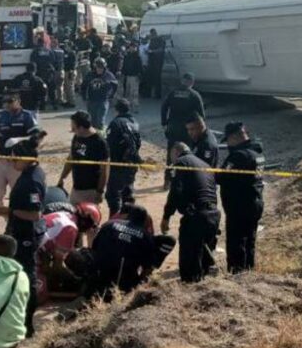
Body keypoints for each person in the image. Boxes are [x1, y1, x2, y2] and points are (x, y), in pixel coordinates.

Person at [0, 138, 44, 338]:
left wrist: (9, 211)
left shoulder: (31, 181)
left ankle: (27, 321)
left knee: (27, 277)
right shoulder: (29, 173)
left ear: (26, 159)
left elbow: (34, 214)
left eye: (15, 160)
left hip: (27, 234)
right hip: (19, 231)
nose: (12, 164)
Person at [161, 143, 220, 283]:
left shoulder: (181, 163)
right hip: (213, 214)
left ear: (175, 152)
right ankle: (203, 286)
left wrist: (166, 216)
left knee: (189, 261)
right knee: (202, 260)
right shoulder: (205, 164)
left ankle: (189, 290)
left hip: (196, 216)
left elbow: (175, 192)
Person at [215, 122, 265, 273]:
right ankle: (248, 272)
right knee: (250, 241)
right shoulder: (257, 153)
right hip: (255, 202)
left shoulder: (239, 156)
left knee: (236, 243)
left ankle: (237, 274)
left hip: (240, 206)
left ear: (235, 137)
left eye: (228, 140)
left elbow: (221, 177)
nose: (228, 144)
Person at [89, 204, 165, 295]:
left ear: (128, 216)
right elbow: (148, 267)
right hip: (124, 284)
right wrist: (140, 284)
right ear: (145, 221)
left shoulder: (108, 224)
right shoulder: (145, 236)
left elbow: (94, 248)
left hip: (98, 277)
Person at [36, 202, 101, 302]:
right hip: (31, 253)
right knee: (40, 295)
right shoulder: (70, 228)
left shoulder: (63, 215)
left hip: (29, 244)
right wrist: (74, 278)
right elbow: (58, 265)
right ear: (86, 222)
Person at [0, 94, 40, 209]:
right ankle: (5, 214)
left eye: (10, 101)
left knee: (18, 192)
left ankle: (16, 215)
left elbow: (37, 138)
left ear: (18, 101)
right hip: (2, 160)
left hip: (17, 163)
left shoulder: (27, 116)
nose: (7, 104)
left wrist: (18, 140)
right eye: (5, 102)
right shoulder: (3, 116)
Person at [161, 73, 205, 185]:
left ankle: (168, 179)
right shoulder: (194, 95)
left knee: (171, 154)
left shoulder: (173, 93)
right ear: (191, 82)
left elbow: (164, 107)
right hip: (188, 129)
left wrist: (164, 123)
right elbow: (201, 115)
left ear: (182, 81)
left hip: (173, 128)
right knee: (187, 153)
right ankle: (183, 179)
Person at [58, 112, 110, 207]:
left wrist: (99, 192)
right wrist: (62, 178)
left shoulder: (99, 142)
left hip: (91, 190)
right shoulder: (77, 136)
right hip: (76, 188)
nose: (72, 130)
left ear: (81, 128)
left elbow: (105, 169)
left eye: (73, 128)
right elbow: (71, 158)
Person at [106, 99, 142, 215]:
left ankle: (114, 219)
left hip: (118, 164)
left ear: (116, 109)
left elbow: (109, 145)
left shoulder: (115, 123)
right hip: (132, 163)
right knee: (128, 192)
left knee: (113, 194)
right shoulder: (134, 122)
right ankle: (128, 217)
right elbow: (138, 143)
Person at [82, 58, 118, 128]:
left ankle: (100, 137)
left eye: (101, 67)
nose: (99, 69)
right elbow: (83, 86)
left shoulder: (108, 75)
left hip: (103, 101)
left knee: (100, 121)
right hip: (92, 100)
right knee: (92, 122)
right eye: (98, 67)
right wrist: (84, 96)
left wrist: (111, 95)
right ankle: (93, 137)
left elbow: (115, 84)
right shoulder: (90, 75)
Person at [144, 29, 166, 99]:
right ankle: (148, 94)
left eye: (152, 34)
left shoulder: (160, 40)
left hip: (158, 62)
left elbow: (161, 49)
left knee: (157, 78)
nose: (151, 36)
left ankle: (157, 95)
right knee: (149, 77)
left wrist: (152, 51)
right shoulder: (152, 40)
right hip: (151, 61)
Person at [121, 41, 143, 106]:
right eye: (131, 47)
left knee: (134, 92)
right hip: (128, 76)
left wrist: (139, 75)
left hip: (134, 76)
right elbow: (124, 66)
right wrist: (123, 74)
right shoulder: (127, 56)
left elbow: (140, 67)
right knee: (127, 91)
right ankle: (127, 105)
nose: (132, 48)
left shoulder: (137, 56)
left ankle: (135, 105)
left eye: (134, 47)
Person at [48, 38, 66, 107]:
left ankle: (54, 99)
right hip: (61, 70)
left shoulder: (51, 51)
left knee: (53, 86)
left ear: (54, 43)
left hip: (54, 71)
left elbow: (51, 61)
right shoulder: (62, 51)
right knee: (60, 86)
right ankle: (60, 99)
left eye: (51, 43)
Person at [61, 38, 78, 108]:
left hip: (70, 71)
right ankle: (68, 101)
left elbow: (73, 64)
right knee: (66, 87)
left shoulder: (72, 53)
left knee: (70, 87)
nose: (65, 47)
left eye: (66, 45)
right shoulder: (67, 53)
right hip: (66, 71)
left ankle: (72, 102)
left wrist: (71, 71)